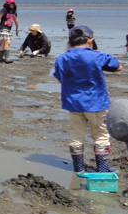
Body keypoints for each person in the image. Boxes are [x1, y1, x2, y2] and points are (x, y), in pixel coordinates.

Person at [53, 26, 123, 173]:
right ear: (90, 40)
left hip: (73, 104)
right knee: (101, 135)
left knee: (76, 135)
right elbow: (118, 67)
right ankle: (103, 168)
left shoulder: (61, 59)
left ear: (69, 42)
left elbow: (59, 78)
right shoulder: (97, 56)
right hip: (96, 103)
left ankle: (79, 167)